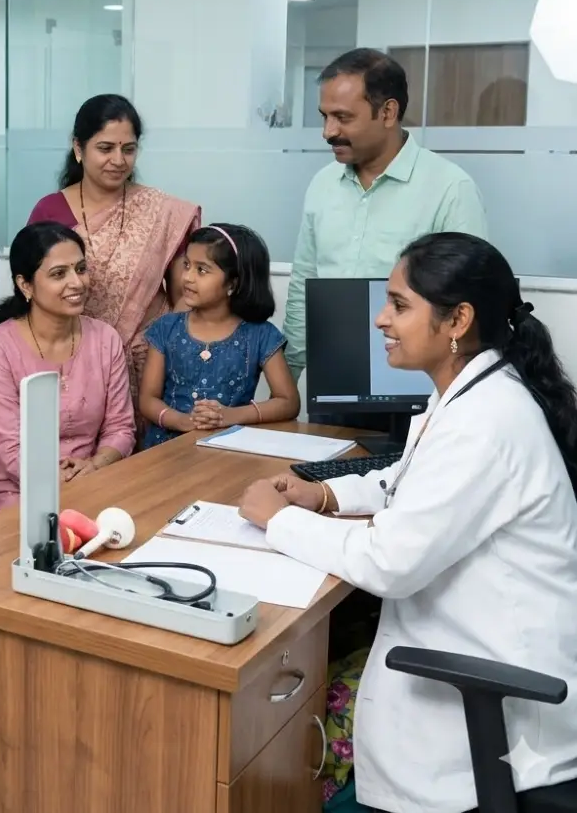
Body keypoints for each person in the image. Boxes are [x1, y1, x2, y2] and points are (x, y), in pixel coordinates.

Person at [240, 232, 577, 813]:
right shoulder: (474, 392)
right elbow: (410, 477)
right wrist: (324, 494)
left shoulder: (486, 422)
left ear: (458, 320)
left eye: (398, 305)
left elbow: (389, 562)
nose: (381, 320)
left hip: (497, 712)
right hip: (480, 656)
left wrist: (280, 521)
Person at [282, 49, 488, 425]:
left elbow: (469, 302)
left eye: (343, 117)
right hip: (336, 386)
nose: (328, 132)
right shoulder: (322, 185)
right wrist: (287, 384)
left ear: (388, 112)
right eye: (325, 117)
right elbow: (303, 287)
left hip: (419, 392)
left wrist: (458, 397)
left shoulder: (448, 188)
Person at [27, 94, 201, 427]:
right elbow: (36, 293)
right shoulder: (50, 211)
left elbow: (185, 297)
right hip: (78, 361)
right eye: (105, 148)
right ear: (78, 148)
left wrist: (160, 348)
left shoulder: (162, 212)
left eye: (129, 149)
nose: (118, 160)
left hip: (155, 366)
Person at [0, 222, 136, 509]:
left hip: (90, 481)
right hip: (16, 492)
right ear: (25, 285)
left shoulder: (105, 339)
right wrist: (58, 481)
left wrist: (96, 464)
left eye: (81, 269)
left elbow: (121, 427)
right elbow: (10, 449)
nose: (77, 283)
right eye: (59, 274)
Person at [140, 224, 300, 449]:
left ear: (233, 283)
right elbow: (148, 399)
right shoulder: (166, 328)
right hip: (165, 449)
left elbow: (289, 402)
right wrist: (183, 421)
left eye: (201, 270)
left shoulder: (260, 335)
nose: (187, 277)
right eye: (187, 265)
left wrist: (229, 416)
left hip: (228, 449)